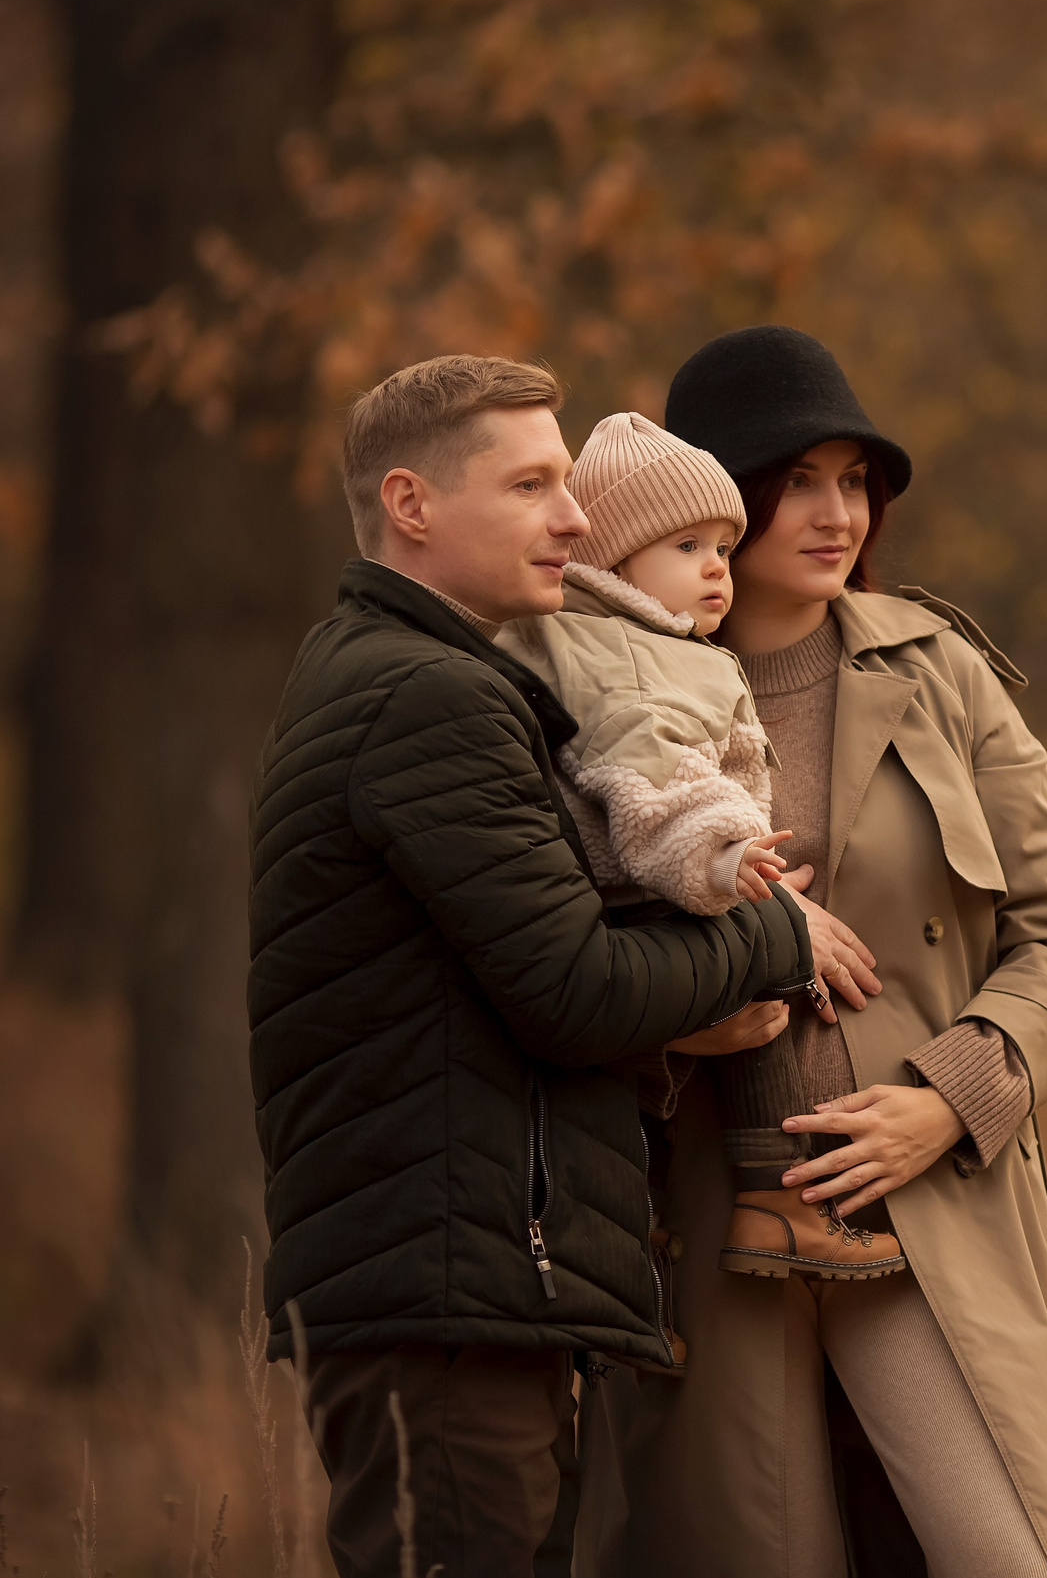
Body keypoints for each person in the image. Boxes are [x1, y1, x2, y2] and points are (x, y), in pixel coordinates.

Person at [246, 354, 824, 1578]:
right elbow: (572, 990)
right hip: (448, 1294)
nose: (574, 518)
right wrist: (778, 937)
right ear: (411, 505)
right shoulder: (424, 697)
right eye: (530, 485)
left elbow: (504, 981)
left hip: (459, 1287)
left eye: (568, 482)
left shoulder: (412, 675)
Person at [576, 327, 1047, 1578]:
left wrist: (948, 1100)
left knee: (1008, 1558)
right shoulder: (600, 698)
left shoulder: (943, 671)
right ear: (718, 497)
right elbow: (560, 961)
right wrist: (686, 1018)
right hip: (706, 1238)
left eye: (855, 480)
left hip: (927, 1211)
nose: (838, 513)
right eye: (798, 479)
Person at [497, 409, 904, 1278]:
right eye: (688, 548)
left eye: (723, 545)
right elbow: (653, 771)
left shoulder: (648, 647)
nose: (715, 567)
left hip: (653, 883)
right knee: (773, 984)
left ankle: (675, 1238)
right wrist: (731, 859)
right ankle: (771, 1202)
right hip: (659, 877)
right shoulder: (630, 659)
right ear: (612, 562)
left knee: (708, 1044)